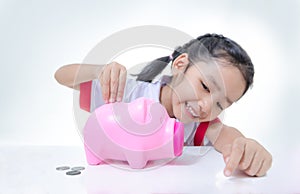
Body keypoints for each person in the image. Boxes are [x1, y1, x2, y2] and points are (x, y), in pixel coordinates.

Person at [55, 33, 272, 177]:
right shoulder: (127, 93)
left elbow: (227, 136)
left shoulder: (201, 126)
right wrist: (98, 71)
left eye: (220, 104)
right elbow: (61, 75)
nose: (206, 106)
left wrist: (243, 146)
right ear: (180, 65)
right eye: (205, 86)